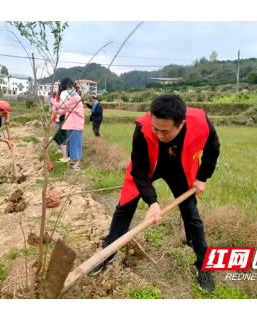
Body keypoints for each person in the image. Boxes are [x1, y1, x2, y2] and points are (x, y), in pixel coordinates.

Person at [89, 94, 221, 293]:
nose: (159, 135)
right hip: (151, 165)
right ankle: (108, 251)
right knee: (125, 206)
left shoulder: (201, 123)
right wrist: (152, 202)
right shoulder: (142, 128)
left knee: (191, 213)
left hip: (179, 167)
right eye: (155, 128)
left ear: (181, 124)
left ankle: (203, 265)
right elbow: (138, 171)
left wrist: (202, 178)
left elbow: (213, 150)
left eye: (165, 131)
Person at [50, 77, 85, 170]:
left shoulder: (76, 98)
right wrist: (55, 111)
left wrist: (53, 102)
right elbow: (65, 110)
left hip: (76, 125)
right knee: (71, 144)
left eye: (71, 88)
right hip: (70, 125)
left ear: (75, 88)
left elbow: (63, 105)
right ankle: (73, 162)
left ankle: (77, 164)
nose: (69, 90)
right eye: (68, 88)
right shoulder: (71, 98)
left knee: (76, 144)